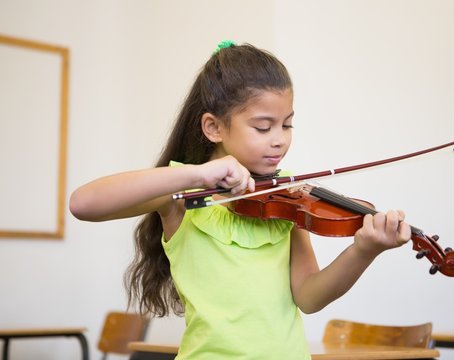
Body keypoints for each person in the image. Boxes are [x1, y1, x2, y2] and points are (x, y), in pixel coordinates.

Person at [69, 41, 411, 360]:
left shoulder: (285, 198)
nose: (279, 140)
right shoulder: (183, 197)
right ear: (214, 128)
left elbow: (308, 296)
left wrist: (363, 250)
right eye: (263, 127)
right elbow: (84, 203)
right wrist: (196, 174)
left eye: (287, 125)